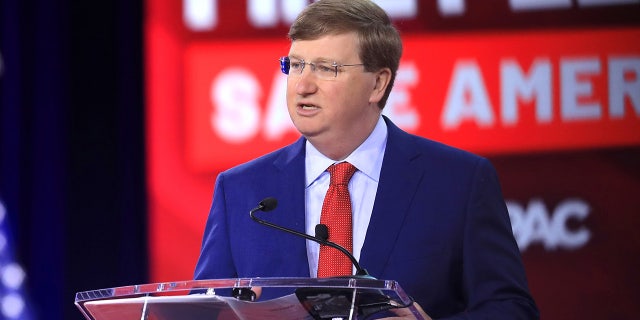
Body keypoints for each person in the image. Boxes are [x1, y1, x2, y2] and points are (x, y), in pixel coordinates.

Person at [194, 0, 539, 318]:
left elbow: (511, 309)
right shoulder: (240, 191)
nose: (302, 85)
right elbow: (204, 311)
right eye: (296, 65)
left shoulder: (459, 182)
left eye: (326, 68)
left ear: (377, 84)